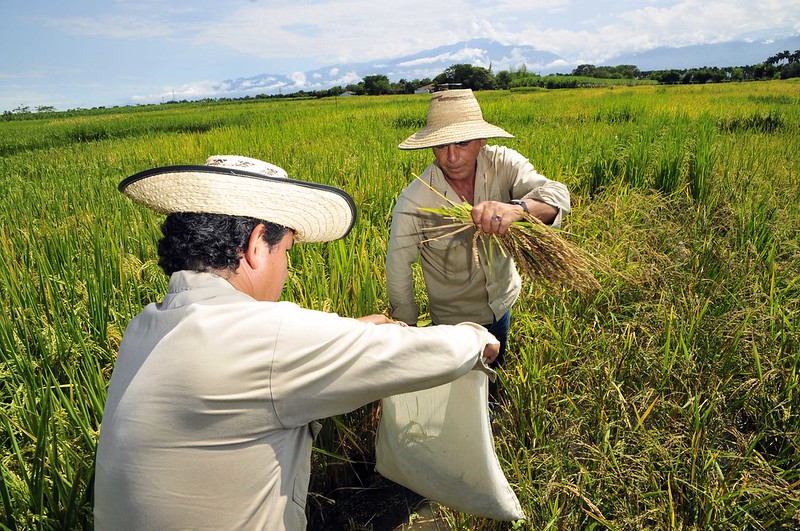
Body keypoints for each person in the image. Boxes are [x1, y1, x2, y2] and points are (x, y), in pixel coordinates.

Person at [93, 155, 500, 530]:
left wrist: (354, 333)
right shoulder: (265, 337)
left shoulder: (144, 326)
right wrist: (477, 337)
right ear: (256, 246)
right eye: (287, 251)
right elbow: (420, 355)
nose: (287, 270)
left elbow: (265, 365)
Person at [386, 89, 571, 367]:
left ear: (481, 140)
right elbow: (398, 272)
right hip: (455, 324)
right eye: (441, 146)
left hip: (502, 304)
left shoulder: (502, 163)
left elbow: (556, 195)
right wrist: (408, 337)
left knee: (496, 373)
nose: (451, 157)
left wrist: (517, 209)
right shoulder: (415, 200)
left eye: (461, 143)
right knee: (466, 391)